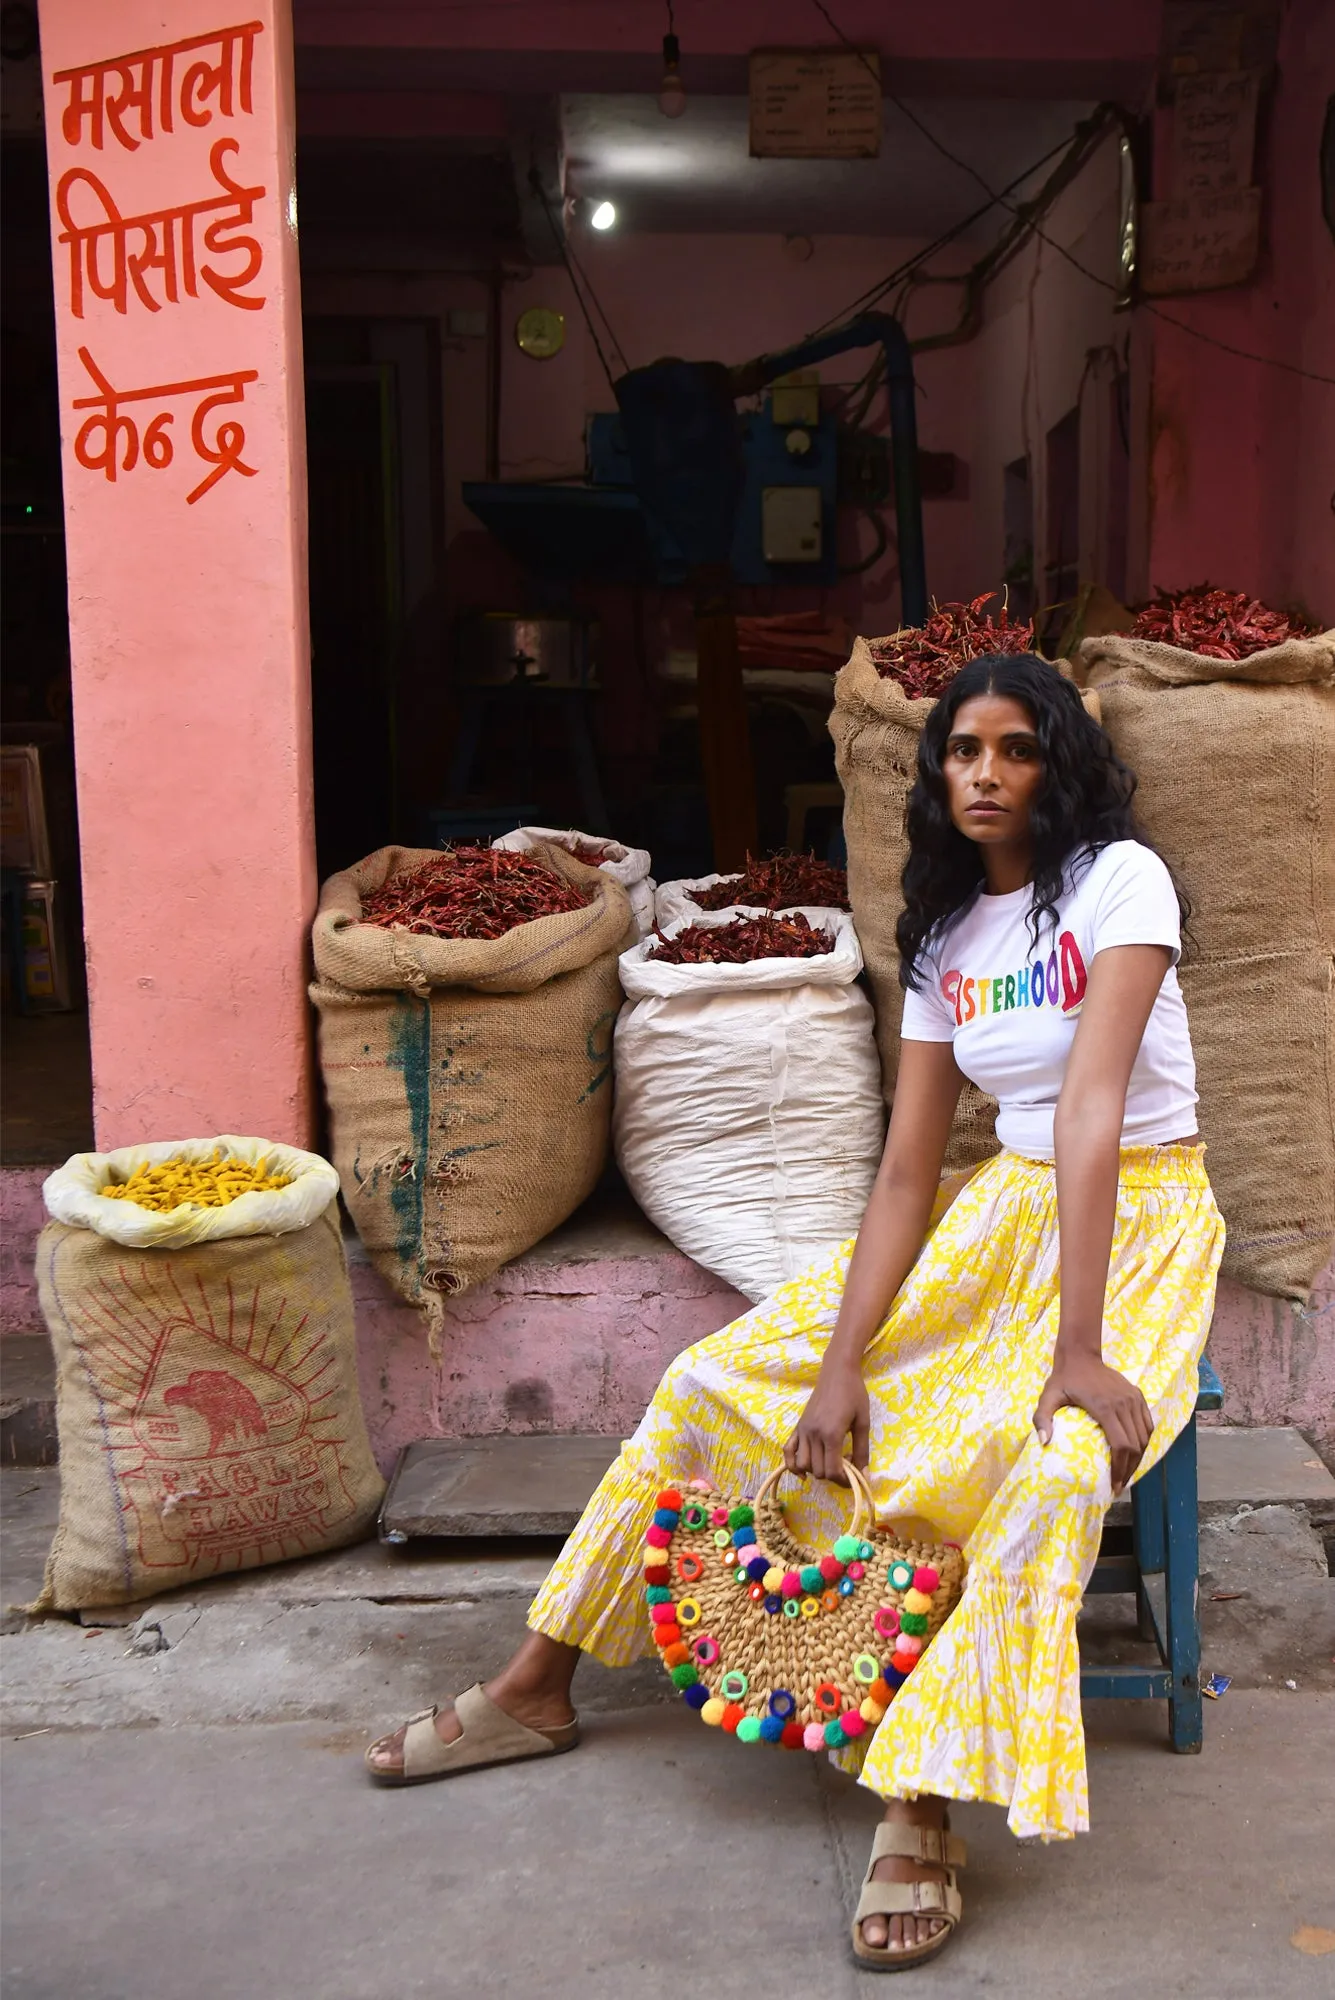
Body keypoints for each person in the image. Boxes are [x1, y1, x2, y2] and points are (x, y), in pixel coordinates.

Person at [363, 653, 1223, 1972]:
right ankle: (535, 1686)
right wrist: (833, 1367)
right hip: (994, 1222)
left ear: (1059, 764)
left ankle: (919, 1802)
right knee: (716, 1377)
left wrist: (1077, 1349)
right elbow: (901, 1169)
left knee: (1030, 1460)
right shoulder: (945, 936)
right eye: (959, 752)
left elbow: (1097, 1112)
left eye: (1014, 749)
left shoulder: (1118, 882)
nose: (982, 773)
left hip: (1139, 1220)